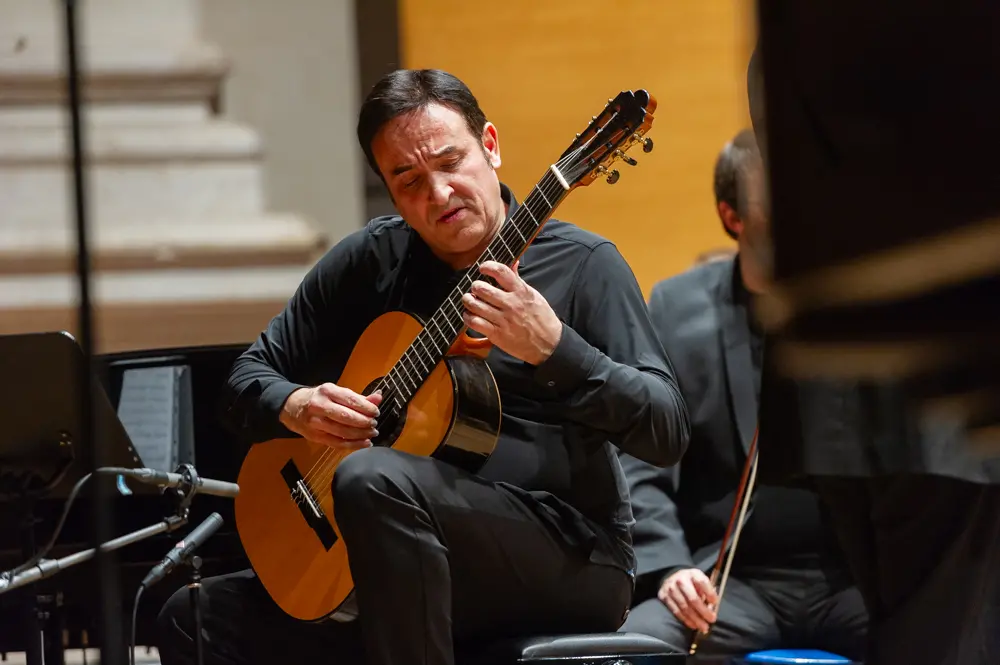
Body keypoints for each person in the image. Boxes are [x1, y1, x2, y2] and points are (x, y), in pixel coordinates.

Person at [154, 68, 691, 665]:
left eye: (451, 161)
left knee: (372, 478)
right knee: (194, 620)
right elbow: (241, 381)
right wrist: (296, 406)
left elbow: (666, 428)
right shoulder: (371, 263)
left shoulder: (586, 265)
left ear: (489, 146)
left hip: (569, 553)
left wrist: (553, 347)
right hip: (396, 557)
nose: (438, 194)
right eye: (407, 179)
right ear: (387, 187)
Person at [746, 45, 1000, 665]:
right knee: (940, 636)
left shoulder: (787, 44)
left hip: (831, 391)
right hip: (934, 380)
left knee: (905, 621)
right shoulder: (941, 33)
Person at [617, 129, 867, 660]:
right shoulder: (676, 309)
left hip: (853, 579)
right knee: (638, 646)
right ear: (732, 216)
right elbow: (640, 461)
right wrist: (670, 566)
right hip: (728, 583)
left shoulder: (854, 304)